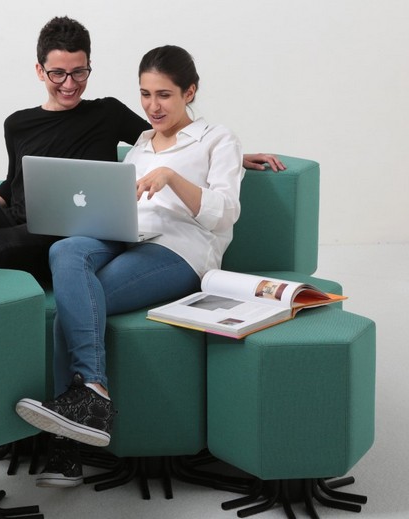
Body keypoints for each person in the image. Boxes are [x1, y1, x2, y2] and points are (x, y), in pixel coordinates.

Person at [0, 16, 285, 291]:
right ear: (40, 71)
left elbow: (167, 132)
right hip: (19, 215)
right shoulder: (17, 123)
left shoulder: (108, 113)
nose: (70, 84)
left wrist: (234, 155)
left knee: (10, 238)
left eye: (79, 72)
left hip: (64, 232)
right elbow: (13, 180)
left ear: (89, 68)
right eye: (58, 73)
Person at [15, 44, 246, 487]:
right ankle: (91, 398)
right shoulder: (141, 143)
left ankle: (70, 443)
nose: (153, 106)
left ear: (190, 92)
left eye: (164, 95)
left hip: (179, 249)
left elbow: (225, 213)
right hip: (126, 234)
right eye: (145, 94)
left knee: (73, 306)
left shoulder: (218, 139)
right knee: (65, 250)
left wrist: (172, 178)